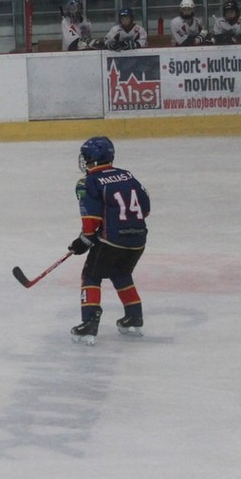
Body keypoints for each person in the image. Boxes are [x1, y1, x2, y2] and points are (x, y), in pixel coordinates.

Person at [68, 137, 150, 345]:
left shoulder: (90, 181)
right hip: (138, 240)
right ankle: (134, 315)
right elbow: (145, 208)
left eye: (86, 157)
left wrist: (85, 240)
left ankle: (90, 321)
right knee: (121, 273)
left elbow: (91, 218)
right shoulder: (128, 175)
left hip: (112, 241)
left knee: (91, 275)